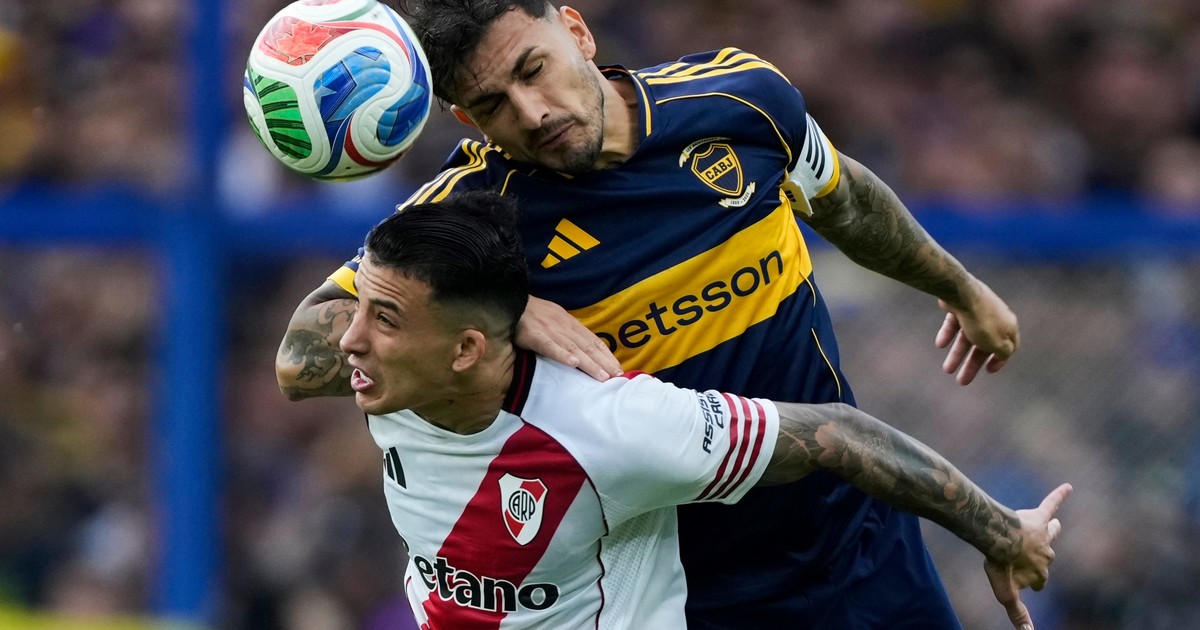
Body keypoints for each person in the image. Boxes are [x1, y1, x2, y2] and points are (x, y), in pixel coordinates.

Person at [275, 2, 1023, 627]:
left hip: (857, 540)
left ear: (576, 32)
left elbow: (845, 199)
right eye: (494, 105)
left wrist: (959, 288)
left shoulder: (741, 100)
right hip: (689, 593)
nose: (532, 113)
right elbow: (300, 357)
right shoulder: (472, 222)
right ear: (466, 119)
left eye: (533, 69)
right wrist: (508, 309)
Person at [340, 190, 1067, 629]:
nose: (348, 339)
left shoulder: (613, 428)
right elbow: (292, 360)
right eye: (359, 308)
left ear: (466, 349)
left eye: (383, 319)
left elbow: (839, 436)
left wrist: (1002, 531)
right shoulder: (388, 382)